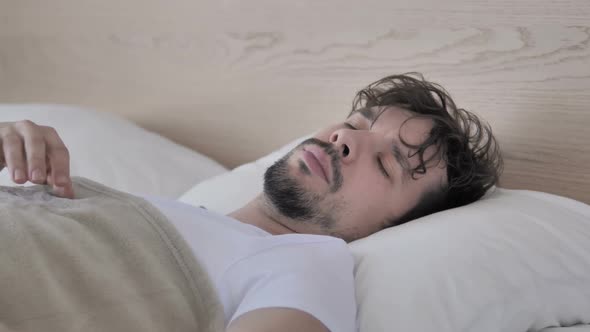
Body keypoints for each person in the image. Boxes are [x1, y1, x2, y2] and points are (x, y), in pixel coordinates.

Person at [0, 73, 502, 332]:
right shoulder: (170, 210)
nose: (343, 139)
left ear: (391, 227)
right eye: (355, 123)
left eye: (385, 164)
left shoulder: (305, 264)